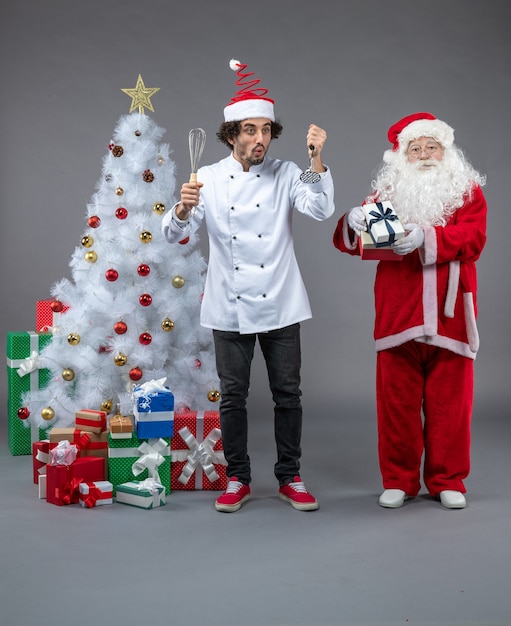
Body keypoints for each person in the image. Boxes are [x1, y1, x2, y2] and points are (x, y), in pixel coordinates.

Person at [162, 59, 335, 512]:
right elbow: (176, 235)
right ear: (231, 134)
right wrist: (181, 210)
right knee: (233, 396)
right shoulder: (210, 180)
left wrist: (316, 158)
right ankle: (237, 478)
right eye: (251, 130)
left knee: (288, 395)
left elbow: (318, 208)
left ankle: (290, 477)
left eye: (266, 130)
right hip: (229, 304)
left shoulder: (288, 172)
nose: (261, 139)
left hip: (281, 300)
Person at [333, 112, 487, 509]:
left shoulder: (466, 191)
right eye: (414, 148)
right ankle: (399, 480)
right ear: (402, 156)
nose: (423, 155)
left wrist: (426, 236)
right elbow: (356, 243)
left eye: (430, 146)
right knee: (396, 406)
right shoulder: (387, 193)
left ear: (445, 150)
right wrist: (353, 222)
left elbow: (474, 238)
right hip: (398, 312)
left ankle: (447, 479)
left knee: (450, 405)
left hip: (450, 314)